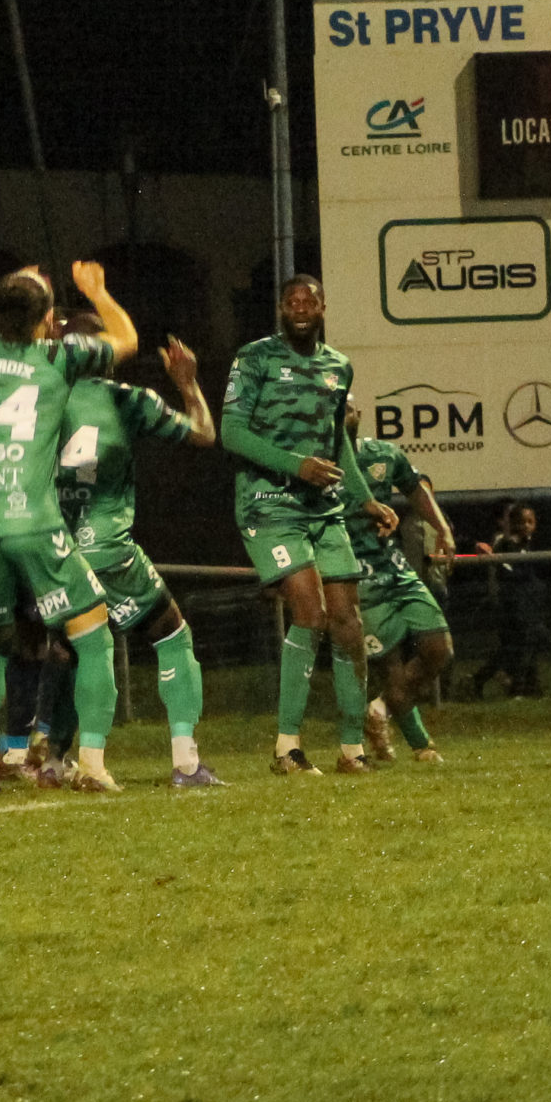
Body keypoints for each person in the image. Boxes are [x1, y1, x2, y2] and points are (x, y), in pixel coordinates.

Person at [0, 262, 137, 793]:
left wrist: (26, 285)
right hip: (33, 524)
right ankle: (92, 763)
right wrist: (96, 292)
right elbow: (126, 339)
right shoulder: (58, 357)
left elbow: (11, 309)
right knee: (94, 634)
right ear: (47, 320)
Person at [40, 323, 225, 788]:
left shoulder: (37, 399)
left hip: (50, 549)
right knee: (172, 633)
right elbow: (203, 434)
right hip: (105, 547)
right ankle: (186, 763)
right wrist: (187, 383)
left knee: (70, 650)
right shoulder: (125, 398)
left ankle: (52, 759)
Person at [222, 273, 376, 775]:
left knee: (349, 623)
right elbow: (232, 433)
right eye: (293, 302)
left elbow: (337, 443)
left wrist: (366, 500)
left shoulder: (338, 367)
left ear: (323, 307)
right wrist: (295, 466)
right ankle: (287, 747)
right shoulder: (255, 358)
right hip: (268, 504)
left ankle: (352, 749)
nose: (302, 308)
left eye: (310, 301)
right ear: (281, 309)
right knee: (310, 613)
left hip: (322, 508)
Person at [346, 404, 453, 765]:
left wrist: (442, 527)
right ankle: (421, 746)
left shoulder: (383, 453)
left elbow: (414, 487)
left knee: (438, 648)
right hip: (357, 576)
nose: (346, 408)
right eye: (339, 405)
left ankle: (379, 708)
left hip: (394, 568)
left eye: (350, 404)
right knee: (390, 666)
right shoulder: (319, 466)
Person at [465, 504, 549, 699]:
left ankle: (527, 686)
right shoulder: (506, 544)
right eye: (522, 522)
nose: (526, 526)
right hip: (513, 603)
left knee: (524, 644)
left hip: (528, 602)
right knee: (518, 646)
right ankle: (517, 687)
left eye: (530, 522)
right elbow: (506, 570)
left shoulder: (529, 544)